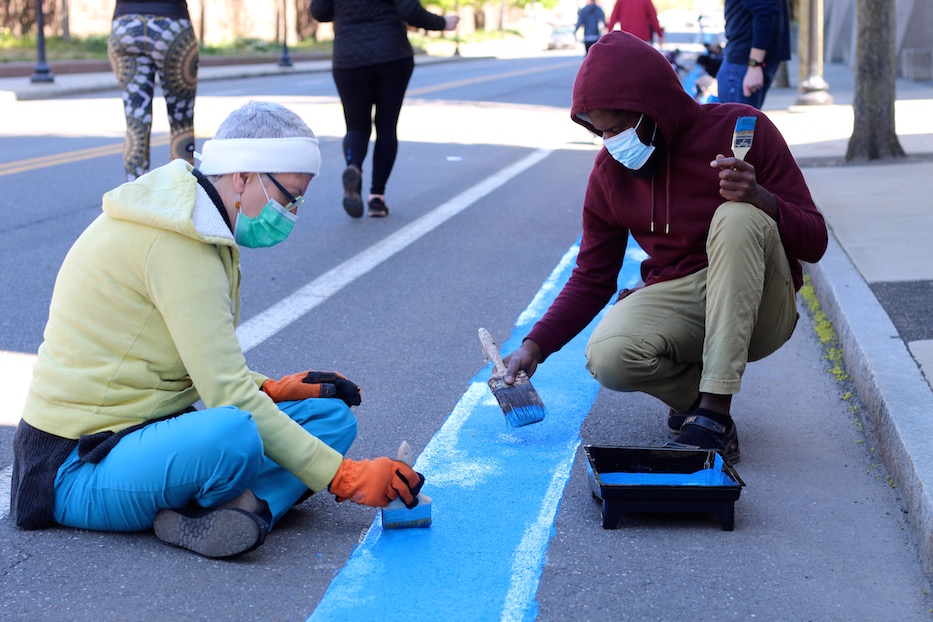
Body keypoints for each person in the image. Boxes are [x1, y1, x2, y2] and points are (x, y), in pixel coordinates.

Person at [10, 101, 426, 559]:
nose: (292, 212)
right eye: (289, 197)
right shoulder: (178, 243)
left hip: (148, 429)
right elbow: (226, 392)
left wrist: (276, 387)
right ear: (243, 177)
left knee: (330, 418)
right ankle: (242, 504)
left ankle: (245, 510)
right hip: (74, 464)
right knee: (234, 434)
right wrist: (344, 477)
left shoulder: (198, 221)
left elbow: (194, 361)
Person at [500, 32, 827, 464]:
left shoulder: (742, 130)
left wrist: (760, 197)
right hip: (687, 296)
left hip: (763, 303)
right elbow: (592, 277)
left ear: (653, 108)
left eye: (618, 128)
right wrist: (534, 346)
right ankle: (700, 397)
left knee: (737, 215)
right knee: (609, 353)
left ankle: (714, 415)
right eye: (600, 132)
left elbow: (816, 241)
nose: (611, 141)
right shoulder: (609, 173)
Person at [311, 0, 459, 219]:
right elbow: (409, 10)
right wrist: (443, 23)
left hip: (349, 59)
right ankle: (377, 199)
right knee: (386, 127)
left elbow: (320, 11)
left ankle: (353, 167)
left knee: (356, 127)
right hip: (391, 56)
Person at [108, 0, 199, 182]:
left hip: (126, 26)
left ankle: (134, 200)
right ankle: (180, 198)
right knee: (181, 124)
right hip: (172, 24)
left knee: (136, 125)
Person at [716, 0, 791, 109]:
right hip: (746, 61)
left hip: (743, 62)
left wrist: (754, 64)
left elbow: (765, 10)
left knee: (736, 123)